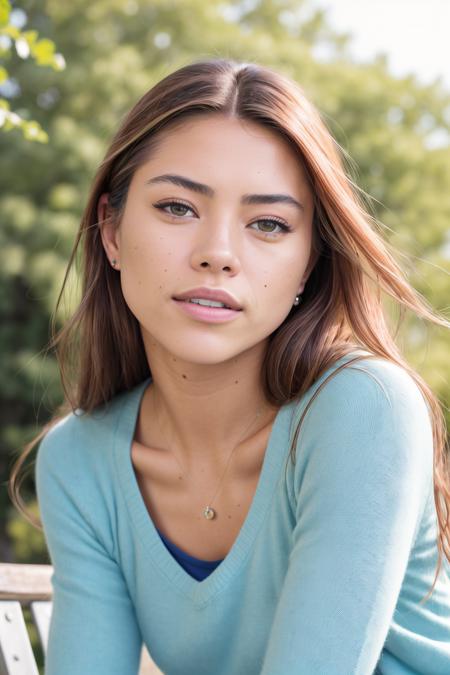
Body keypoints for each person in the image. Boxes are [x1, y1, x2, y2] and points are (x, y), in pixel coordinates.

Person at [9, 58, 450, 675]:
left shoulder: (364, 408)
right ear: (110, 230)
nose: (217, 254)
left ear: (309, 263)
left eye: (268, 224)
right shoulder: (80, 462)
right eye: (177, 208)